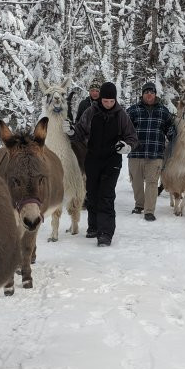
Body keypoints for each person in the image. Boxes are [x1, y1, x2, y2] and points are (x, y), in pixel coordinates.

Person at [64, 81, 137, 247]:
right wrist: (70, 131)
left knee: (106, 195)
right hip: (92, 159)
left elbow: (132, 137)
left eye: (112, 101)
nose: (109, 104)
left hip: (112, 160)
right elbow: (79, 133)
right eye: (105, 101)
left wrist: (126, 147)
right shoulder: (90, 112)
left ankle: (105, 233)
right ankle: (94, 226)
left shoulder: (121, 115)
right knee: (93, 194)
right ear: (100, 99)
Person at [126, 81, 176, 221]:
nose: (149, 94)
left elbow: (170, 129)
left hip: (155, 154)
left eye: (152, 92)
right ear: (142, 94)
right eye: (146, 92)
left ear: (155, 94)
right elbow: (125, 129)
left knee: (152, 182)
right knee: (136, 181)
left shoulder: (163, 111)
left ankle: (149, 210)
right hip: (136, 153)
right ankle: (139, 205)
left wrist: (173, 132)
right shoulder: (132, 110)